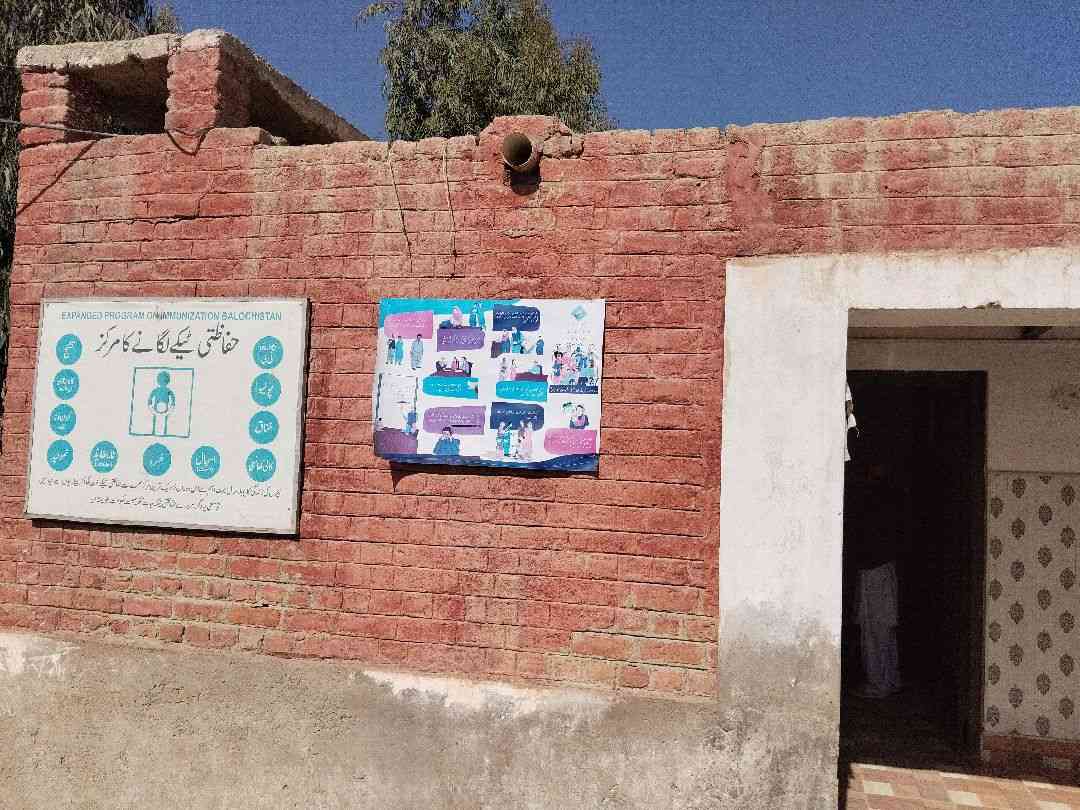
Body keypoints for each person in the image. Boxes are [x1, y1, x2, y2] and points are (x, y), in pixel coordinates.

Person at [848, 461, 903, 699]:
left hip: (874, 570)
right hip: (883, 568)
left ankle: (879, 683)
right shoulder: (888, 497)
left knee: (874, 630)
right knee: (884, 629)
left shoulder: (873, 498)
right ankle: (889, 680)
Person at [147, 370, 176, 436]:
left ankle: (155, 431)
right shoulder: (167, 390)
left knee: (156, 417)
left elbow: (151, 396)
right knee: (164, 417)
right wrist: (172, 404)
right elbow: (172, 397)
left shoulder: (156, 390)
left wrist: (149, 403)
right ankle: (163, 432)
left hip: (158, 406)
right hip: (164, 406)